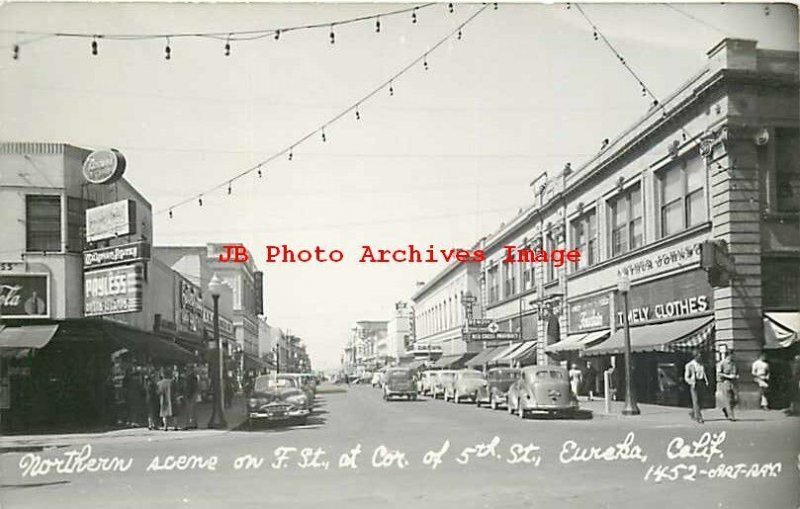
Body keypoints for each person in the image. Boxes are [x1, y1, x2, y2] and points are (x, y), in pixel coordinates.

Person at [684, 351, 708, 424]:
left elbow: (704, 373)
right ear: (695, 356)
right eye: (698, 355)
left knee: (700, 400)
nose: (700, 357)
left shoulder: (701, 364)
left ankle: (693, 412)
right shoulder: (690, 365)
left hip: (701, 382)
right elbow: (686, 377)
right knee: (696, 400)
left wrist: (706, 381)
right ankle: (699, 417)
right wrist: (691, 382)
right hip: (694, 383)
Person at [716, 350, 739, 421]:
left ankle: (726, 409)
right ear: (728, 355)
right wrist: (728, 376)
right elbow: (719, 373)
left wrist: (736, 376)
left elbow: (736, 372)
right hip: (725, 382)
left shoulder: (733, 363)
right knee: (728, 399)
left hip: (734, 383)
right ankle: (731, 416)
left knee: (735, 399)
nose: (733, 356)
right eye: (732, 355)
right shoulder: (722, 363)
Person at [183, 365, 199, 430]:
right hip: (193, 395)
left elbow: (189, 387)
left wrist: (187, 395)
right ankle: (194, 423)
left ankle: (190, 424)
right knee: (193, 410)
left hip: (190, 395)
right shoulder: (194, 377)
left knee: (190, 410)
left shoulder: (190, 378)